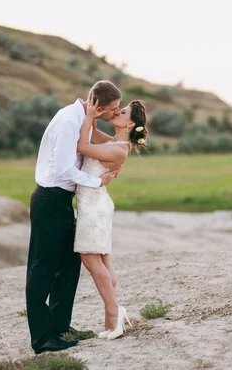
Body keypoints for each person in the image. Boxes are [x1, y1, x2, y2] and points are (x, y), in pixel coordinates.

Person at [25, 81, 122, 354]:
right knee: (41, 269)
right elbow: (65, 169)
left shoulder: (84, 118)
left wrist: (124, 141)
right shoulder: (69, 120)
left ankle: (60, 327)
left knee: (68, 266)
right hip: (49, 200)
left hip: (63, 201)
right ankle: (43, 338)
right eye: (112, 109)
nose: (114, 114)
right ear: (98, 105)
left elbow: (96, 139)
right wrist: (97, 182)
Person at [75, 98, 149, 340]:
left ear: (130, 124)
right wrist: (93, 112)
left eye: (123, 111)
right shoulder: (114, 142)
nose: (118, 112)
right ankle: (113, 317)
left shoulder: (118, 149)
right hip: (94, 203)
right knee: (103, 262)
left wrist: (87, 118)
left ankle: (113, 313)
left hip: (94, 206)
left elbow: (83, 146)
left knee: (91, 260)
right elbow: (94, 133)